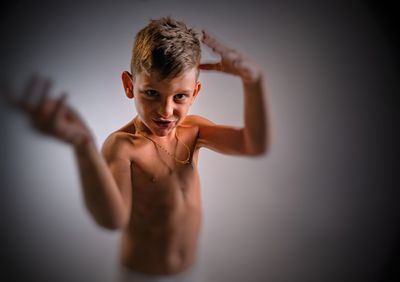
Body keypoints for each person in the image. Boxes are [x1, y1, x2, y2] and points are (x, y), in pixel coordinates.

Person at [3, 17, 270, 282]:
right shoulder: (123, 146)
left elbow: (252, 145)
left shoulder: (194, 131)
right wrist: (83, 145)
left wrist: (254, 81)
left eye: (179, 96)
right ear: (130, 86)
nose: (166, 111)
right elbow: (113, 219)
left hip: (191, 272)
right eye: (152, 93)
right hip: (142, 276)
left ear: (195, 93)